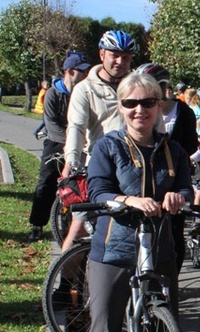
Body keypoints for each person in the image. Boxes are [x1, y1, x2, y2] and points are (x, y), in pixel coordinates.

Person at [69, 72, 193, 332]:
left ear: (159, 106)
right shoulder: (108, 147)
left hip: (160, 248)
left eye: (148, 103)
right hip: (114, 249)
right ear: (121, 107)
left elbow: (186, 184)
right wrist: (128, 201)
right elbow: (99, 188)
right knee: (104, 329)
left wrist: (179, 197)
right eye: (131, 103)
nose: (140, 110)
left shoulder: (174, 150)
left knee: (165, 327)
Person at [61, 29, 135, 253]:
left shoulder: (135, 85)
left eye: (126, 56)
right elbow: (76, 127)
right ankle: (64, 286)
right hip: (99, 165)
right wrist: (71, 162)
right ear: (102, 54)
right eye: (114, 55)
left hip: (133, 166)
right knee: (79, 227)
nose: (120, 61)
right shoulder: (85, 89)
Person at [137, 62, 199, 272]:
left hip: (173, 175)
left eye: (159, 86)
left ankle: (171, 277)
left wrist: (173, 156)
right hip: (144, 175)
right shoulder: (139, 111)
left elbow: (191, 144)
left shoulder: (184, 112)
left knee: (174, 230)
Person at [27, 53, 91, 242]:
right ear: (70, 72)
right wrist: (72, 141)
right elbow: (52, 126)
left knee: (83, 184)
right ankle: (37, 225)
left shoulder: (85, 92)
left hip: (82, 143)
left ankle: (79, 225)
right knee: (46, 182)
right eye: (82, 71)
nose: (86, 75)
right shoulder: (53, 94)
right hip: (57, 142)